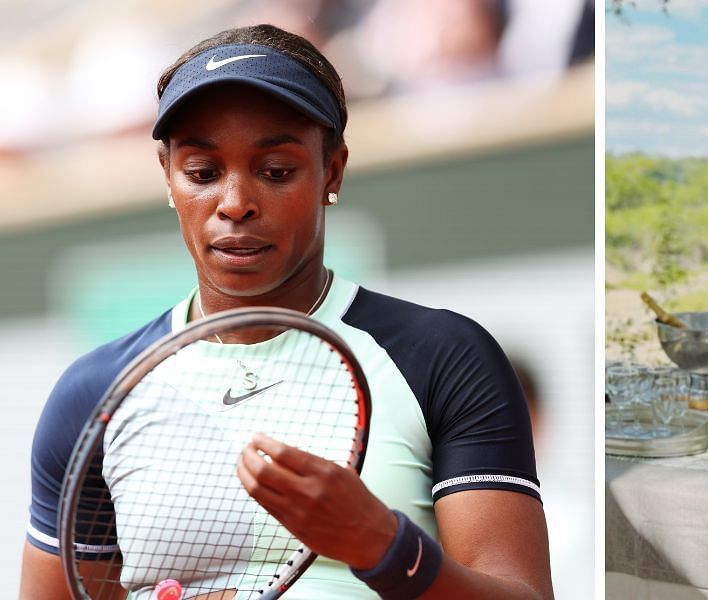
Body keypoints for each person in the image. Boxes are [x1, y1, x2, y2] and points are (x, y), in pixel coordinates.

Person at [21, 24, 552, 600]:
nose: (235, 203)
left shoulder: (445, 355)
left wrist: (382, 545)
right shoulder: (94, 392)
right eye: (202, 173)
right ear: (168, 179)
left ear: (333, 170)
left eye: (276, 171)